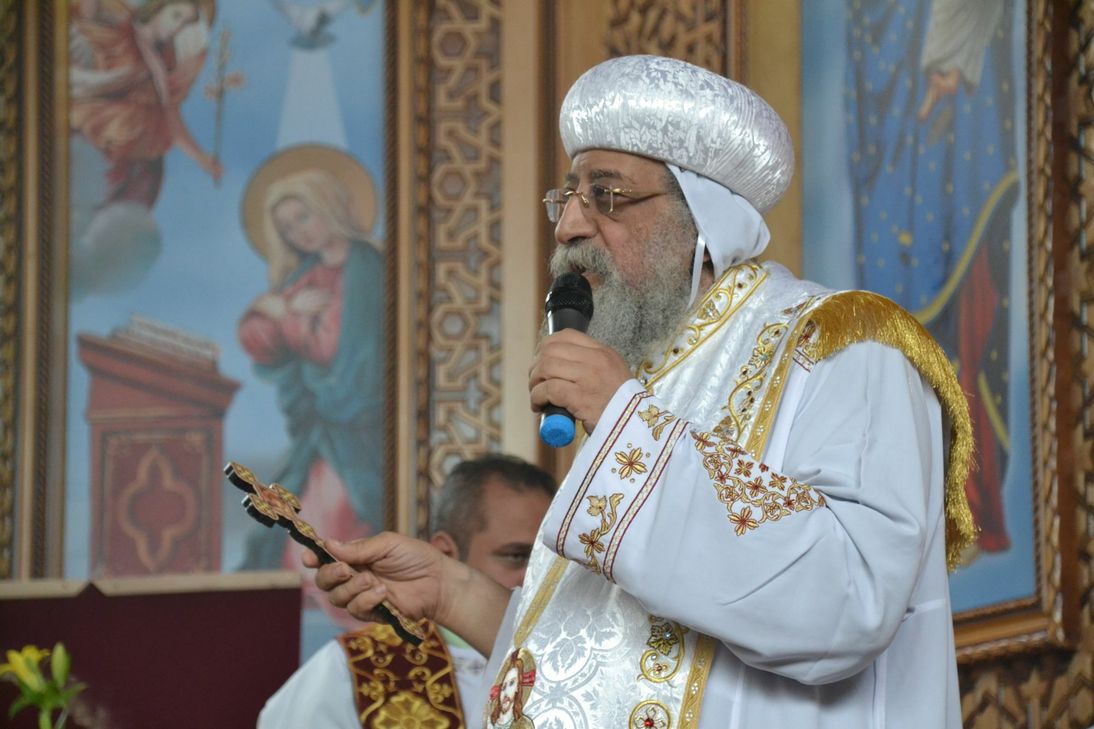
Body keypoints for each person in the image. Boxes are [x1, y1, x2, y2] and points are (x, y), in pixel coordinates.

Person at [310, 55, 976, 728]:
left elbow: (849, 599)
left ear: (705, 220)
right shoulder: (648, 384)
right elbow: (605, 663)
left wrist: (625, 420)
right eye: (566, 197)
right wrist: (453, 591)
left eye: (607, 194)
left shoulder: (843, 345)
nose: (569, 225)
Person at [258, 454, 556, 728]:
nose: (537, 576)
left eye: (551, 562)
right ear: (447, 553)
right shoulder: (353, 670)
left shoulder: (573, 664)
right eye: (517, 556)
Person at [237, 162, 385, 606]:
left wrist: (288, 318)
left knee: (327, 529)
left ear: (328, 205)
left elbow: (334, 352)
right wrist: (285, 309)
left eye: (303, 216)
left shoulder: (366, 269)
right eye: (286, 227)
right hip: (322, 432)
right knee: (299, 534)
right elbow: (255, 335)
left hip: (357, 427)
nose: (298, 232)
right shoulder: (304, 277)